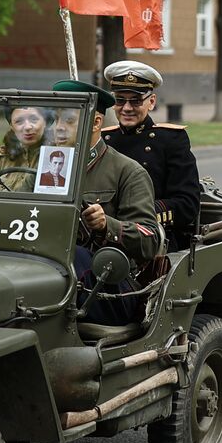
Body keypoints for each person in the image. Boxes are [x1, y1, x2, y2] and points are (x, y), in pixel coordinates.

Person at [53, 79, 158, 325]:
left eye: (68, 121)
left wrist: (106, 225)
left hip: (110, 286)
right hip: (56, 275)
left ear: (96, 122)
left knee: (74, 254)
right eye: (55, 119)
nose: (58, 128)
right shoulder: (49, 166)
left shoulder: (127, 171)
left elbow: (149, 239)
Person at [101, 60, 201, 250]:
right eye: (120, 100)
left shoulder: (171, 140)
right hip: (103, 233)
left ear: (151, 102)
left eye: (136, 101)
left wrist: (141, 213)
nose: (127, 108)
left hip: (154, 238)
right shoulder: (105, 139)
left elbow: (187, 204)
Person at [0, 105, 49, 190]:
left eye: (34, 120)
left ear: (45, 122)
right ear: (11, 126)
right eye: (19, 121)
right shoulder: (6, 153)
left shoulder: (56, 154)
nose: (28, 127)